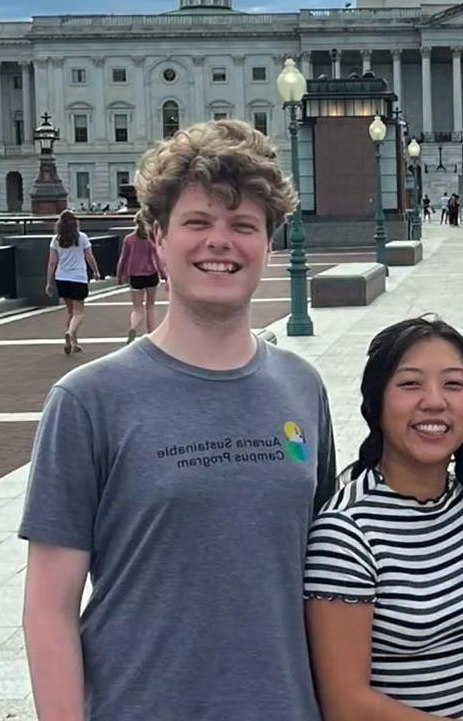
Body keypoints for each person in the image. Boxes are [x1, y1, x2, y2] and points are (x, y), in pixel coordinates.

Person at [20, 119, 337, 721]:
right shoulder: (88, 401)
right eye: (198, 222)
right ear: (159, 239)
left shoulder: (302, 389)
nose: (221, 241)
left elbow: (319, 575)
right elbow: (49, 608)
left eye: (243, 225)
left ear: (268, 243)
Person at [305, 317, 463, 721]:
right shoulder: (345, 533)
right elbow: (346, 706)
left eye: (453, 384)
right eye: (410, 384)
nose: (434, 401)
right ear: (375, 404)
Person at [44, 209, 101, 354]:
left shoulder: (56, 240)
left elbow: (52, 262)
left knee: (69, 311)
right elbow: (89, 256)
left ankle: (74, 342)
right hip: (78, 278)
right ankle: (70, 333)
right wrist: (95, 271)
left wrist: (49, 282)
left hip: (62, 278)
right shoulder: (82, 237)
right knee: (79, 313)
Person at [115, 210, 167, 343]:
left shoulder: (129, 239)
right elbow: (157, 258)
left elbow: (123, 258)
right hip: (150, 274)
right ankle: (152, 334)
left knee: (137, 308)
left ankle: (133, 327)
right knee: (150, 306)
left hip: (134, 275)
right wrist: (163, 274)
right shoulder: (151, 239)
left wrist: (120, 274)